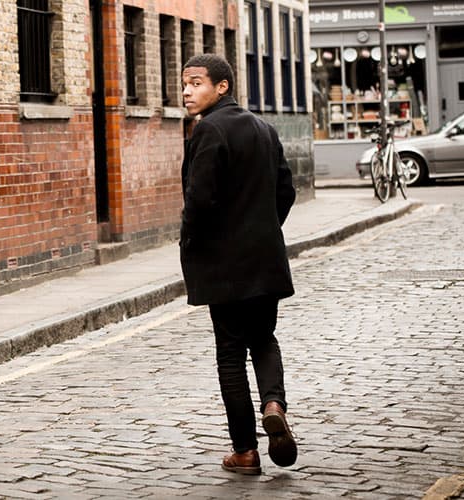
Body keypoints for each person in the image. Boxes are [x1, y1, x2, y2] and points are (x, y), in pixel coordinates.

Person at [178, 54, 298, 475]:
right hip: (264, 261)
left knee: (230, 354)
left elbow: (200, 200)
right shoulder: (264, 128)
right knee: (264, 340)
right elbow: (286, 190)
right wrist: (263, 230)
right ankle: (274, 403)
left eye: (196, 83)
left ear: (222, 86)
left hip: (224, 265)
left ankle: (245, 452)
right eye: (184, 84)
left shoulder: (208, 129)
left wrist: (191, 244)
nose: (187, 91)